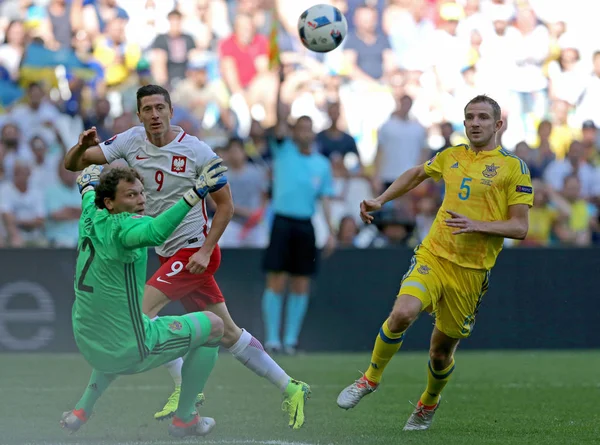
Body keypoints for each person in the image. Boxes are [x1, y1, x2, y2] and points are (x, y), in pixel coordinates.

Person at [63, 84, 310, 429]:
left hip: (193, 251)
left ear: (170, 110)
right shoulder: (129, 142)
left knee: (136, 319)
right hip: (167, 254)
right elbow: (75, 164)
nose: (154, 115)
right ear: (139, 115)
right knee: (227, 333)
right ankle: (291, 386)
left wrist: (207, 250)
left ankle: (116, 403)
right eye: (147, 109)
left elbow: (226, 206)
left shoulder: (196, 150)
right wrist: (81, 146)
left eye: (159, 108)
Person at [336, 95, 533, 431]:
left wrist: (478, 225)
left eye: (483, 117)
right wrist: (381, 200)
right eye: (470, 117)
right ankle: (369, 379)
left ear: (498, 124)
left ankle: (428, 403)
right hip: (434, 255)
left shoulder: (513, 167)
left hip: (471, 271)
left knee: (440, 353)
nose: (474, 123)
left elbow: (520, 227)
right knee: (402, 313)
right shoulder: (451, 155)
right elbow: (417, 174)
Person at [61, 160, 227, 438]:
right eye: (130, 195)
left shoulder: (90, 211)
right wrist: (195, 193)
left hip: (86, 340)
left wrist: (87, 183)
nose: (140, 200)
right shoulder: (124, 229)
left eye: (141, 193)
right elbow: (156, 232)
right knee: (214, 326)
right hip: (126, 349)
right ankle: (185, 418)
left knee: (121, 325)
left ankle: (81, 410)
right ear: (110, 203)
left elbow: (88, 191)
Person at [261, 69, 336, 356]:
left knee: (301, 282)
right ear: (293, 132)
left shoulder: (322, 164)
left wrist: (330, 230)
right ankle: (272, 339)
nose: (304, 132)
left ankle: (290, 340)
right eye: (299, 128)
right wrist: (282, 84)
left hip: (305, 225)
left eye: (308, 128)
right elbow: (278, 116)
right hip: (281, 221)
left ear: (313, 133)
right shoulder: (283, 151)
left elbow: (325, 200)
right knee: (276, 279)